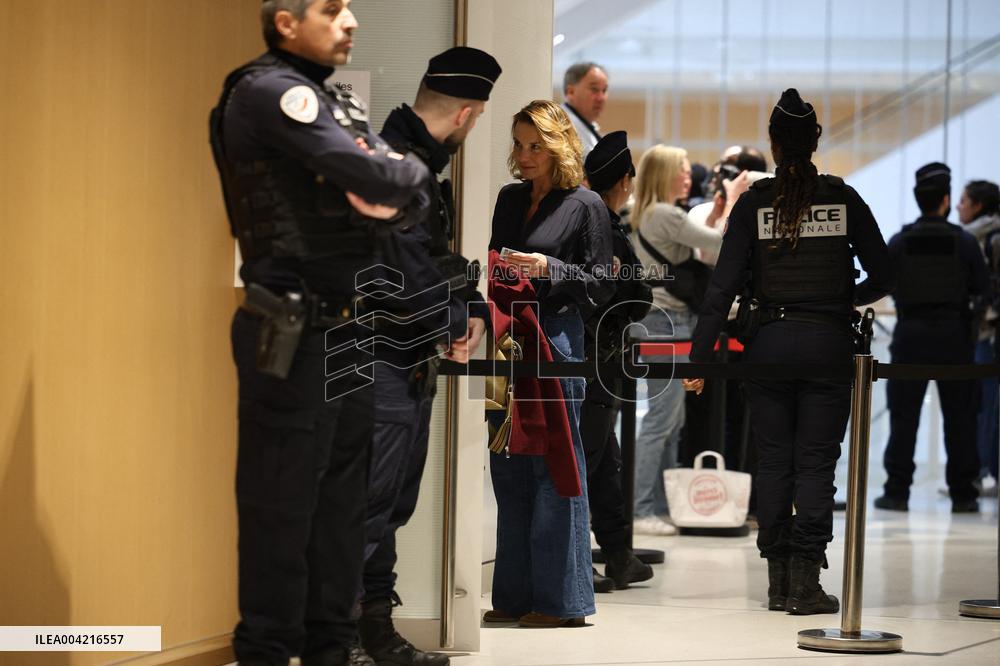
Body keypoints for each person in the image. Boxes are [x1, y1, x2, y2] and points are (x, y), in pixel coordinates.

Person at [208, 1, 431, 664]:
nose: (351, 19)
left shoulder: (330, 101)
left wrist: (396, 180)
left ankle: (332, 649)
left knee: (343, 511)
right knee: (281, 510)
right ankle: (269, 653)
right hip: (291, 326)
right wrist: (388, 179)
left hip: (348, 327)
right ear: (285, 21)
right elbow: (384, 175)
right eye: (332, 9)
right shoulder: (269, 93)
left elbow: (408, 197)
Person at [684, 89, 894, 615]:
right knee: (816, 464)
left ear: (774, 144)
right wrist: (847, 298)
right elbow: (887, 274)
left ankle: (778, 580)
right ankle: (805, 581)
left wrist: (700, 360)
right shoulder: (843, 198)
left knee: (775, 461)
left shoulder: (755, 202)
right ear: (815, 142)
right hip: (827, 344)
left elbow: (721, 290)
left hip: (769, 348)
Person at [358, 47, 500, 666]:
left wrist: (468, 307)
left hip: (407, 359)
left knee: (390, 506)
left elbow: (433, 263)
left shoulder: (413, 166)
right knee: (364, 506)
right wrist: (454, 315)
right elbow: (389, 272)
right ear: (467, 114)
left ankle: (372, 632)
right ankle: (338, 640)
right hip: (376, 358)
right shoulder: (393, 167)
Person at [484, 100, 613, 627]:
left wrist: (549, 266)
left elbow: (604, 283)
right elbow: (491, 263)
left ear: (560, 144)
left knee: (555, 465)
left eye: (535, 145)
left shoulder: (586, 205)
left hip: (556, 336)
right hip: (504, 339)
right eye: (518, 144)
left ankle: (561, 602)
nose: (524, 155)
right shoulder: (509, 199)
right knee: (507, 463)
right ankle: (513, 596)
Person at [630, 145, 747, 535]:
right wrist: (731, 202)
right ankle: (641, 508)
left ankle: (656, 505)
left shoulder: (652, 214)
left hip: (663, 322)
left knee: (671, 420)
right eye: (681, 170)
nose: (688, 177)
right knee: (661, 421)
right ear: (664, 174)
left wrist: (716, 213)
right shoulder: (662, 213)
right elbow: (719, 244)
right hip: (667, 324)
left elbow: (701, 241)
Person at [875, 163, 989, 513]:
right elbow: (983, 290)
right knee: (961, 420)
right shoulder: (965, 242)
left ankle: (896, 492)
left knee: (903, 418)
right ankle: (963, 495)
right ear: (945, 199)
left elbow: (884, 282)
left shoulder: (900, 240)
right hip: (954, 338)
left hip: (910, 336)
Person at [580, 131, 655, 591]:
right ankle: (576, 560)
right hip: (598, 354)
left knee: (604, 457)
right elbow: (624, 292)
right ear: (625, 181)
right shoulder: (602, 226)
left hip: (597, 354)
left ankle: (619, 554)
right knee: (587, 458)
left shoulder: (597, 221)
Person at [957, 179, 1000, 490]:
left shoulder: (982, 240)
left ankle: (982, 470)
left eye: (964, 201)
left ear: (978, 206)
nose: (959, 206)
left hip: (985, 334)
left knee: (983, 405)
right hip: (981, 332)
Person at [561, 62, 608, 157]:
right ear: (571, 92)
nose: (601, 98)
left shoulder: (587, 126)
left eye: (604, 90)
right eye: (594, 89)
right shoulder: (561, 125)